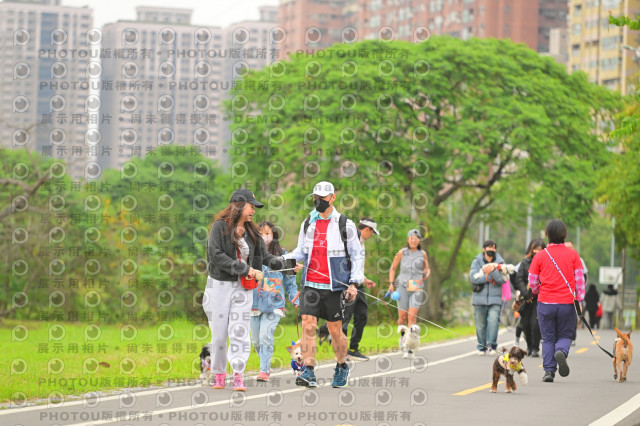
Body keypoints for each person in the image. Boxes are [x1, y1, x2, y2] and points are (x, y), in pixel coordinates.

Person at [204, 189, 287, 391]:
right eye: (251, 207)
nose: (254, 211)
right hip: (219, 286)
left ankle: (238, 375)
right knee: (219, 335)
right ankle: (219, 373)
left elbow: (265, 258)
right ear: (239, 205)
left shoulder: (253, 232)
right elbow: (215, 254)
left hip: (244, 288)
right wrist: (244, 269)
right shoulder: (219, 227)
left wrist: (287, 264)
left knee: (240, 331)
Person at [283, 181, 364, 388]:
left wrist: (354, 283)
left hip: (335, 287)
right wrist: (283, 261)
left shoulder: (345, 224)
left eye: (323, 197)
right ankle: (309, 371)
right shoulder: (308, 223)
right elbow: (301, 251)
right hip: (310, 285)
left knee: (335, 331)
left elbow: (357, 255)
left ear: (333, 197)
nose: (318, 201)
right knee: (308, 326)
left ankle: (342, 365)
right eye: (316, 197)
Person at [528, 219, 585, 383]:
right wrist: (579, 301)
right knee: (566, 334)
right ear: (564, 234)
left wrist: (538, 290)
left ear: (547, 234)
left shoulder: (540, 255)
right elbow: (579, 281)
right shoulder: (573, 254)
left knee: (547, 338)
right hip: (567, 303)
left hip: (545, 302)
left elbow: (532, 281)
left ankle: (549, 371)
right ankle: (561, 351)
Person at [250, 221, 300, 382]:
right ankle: (265, 364)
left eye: (267, 233)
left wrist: (295, 298)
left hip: (274, 303)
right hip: (253, 303)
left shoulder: (283, 255)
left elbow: (290, 282)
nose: (264, 236)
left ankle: (264, 370)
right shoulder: (250, 253)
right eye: (260, 233)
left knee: (265, 336)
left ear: (274, 235)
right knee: (256, 340)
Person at [341, 217, 379, 360]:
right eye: (372, 232)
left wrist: (364, 279)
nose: (371, 235)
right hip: (348, 285)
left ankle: (353, 349)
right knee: (345, 317)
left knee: (362, 315)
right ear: (368, 230)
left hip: (359, 284)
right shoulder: (351, 240)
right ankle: (342, 351)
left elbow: (357, 266)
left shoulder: (362, 243)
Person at [388, 229, 430, 352]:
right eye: (411, 238)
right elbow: (392, 268)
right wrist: (391, 284)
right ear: (408, 239)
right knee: (402, 317)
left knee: (412, 317)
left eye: (416, 238)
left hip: (416, 286)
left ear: (419, 241)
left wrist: (426, 273)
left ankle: (410, 342)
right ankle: (403, 337)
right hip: (402, 285)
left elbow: (427, 268)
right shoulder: (402, 252)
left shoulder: (423, 254)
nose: (413, 240)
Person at [469, 240, 507, 355]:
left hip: (495, 300)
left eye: (493, 248)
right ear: (484, 249)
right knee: (480, 325)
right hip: (479, 299)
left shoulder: (501, 263)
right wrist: (489, 277)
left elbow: (502, 280)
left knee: (493, 322)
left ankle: (492, 346)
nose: (492, 249)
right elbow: (473, 278)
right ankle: (482, 347)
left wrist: (493, 271)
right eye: (489, 247)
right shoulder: (476, 262)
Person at [513, 239, 546, 358]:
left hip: (539, 299)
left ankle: (535, 348)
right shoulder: (525, 262)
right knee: (525, 324)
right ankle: (529, 346)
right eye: (535, 249)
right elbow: (519, 279)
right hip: (526, 299)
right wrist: (526, 294)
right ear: (531, 250)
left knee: (536, 324)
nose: (537, 252)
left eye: (540, 249)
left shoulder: (546, 263)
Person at [565, 242, 587, 345]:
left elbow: (584, 276)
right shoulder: (560, 258)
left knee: (573, 316)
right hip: (562, 292)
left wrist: (580, 294)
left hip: (574, 293)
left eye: (570, 247)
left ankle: (572, 337)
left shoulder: (579, 259)